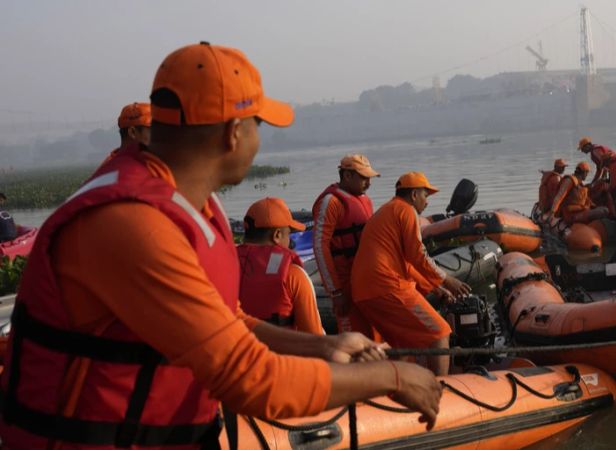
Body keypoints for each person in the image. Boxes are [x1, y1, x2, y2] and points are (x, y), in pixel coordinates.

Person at [0, 42, 441, 449]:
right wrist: (393, 376)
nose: (259, 140)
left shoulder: (186, 201)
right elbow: (251, 381)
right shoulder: (132, 224)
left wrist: (322, 346)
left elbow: (225, 320)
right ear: (233, 133)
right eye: (258, 125)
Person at [351, 172, 472, 376]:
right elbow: (418, 255)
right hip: (387, 287)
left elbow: (406, 263)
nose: (427, 202)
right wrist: (448, 279)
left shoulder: (387, 211)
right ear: (414, 194)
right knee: (440, 332)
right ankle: (440, 391)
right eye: (426, 195)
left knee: (402, 346)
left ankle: (390, 390)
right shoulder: (406, 211)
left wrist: (435, 287)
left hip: (364, 293)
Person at [312, 154, 381, 338]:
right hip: (344, 281)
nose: (368, 183)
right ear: (348, 176)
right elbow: (320, 246)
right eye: (364, 178)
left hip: (366, 280)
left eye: (369, 178)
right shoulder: (331, 202)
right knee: (353, 337)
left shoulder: (365, 200)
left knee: (374, 336)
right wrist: (336, 292)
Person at [238, 197, 324, 334]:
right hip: (281, 354)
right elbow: (315, 337)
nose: (290, 241)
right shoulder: (293, 275)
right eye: (289, 234)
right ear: (277, 235)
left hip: (234, 351)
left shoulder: (225, 265)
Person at [544, 161, 610, 225]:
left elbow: (587, 200)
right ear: (584, 172)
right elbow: (559, 196)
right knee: (604, 211)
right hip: (571, 215)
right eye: (587, 173)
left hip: (580, 211)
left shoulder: (580, 184)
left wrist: (594, 207)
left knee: (603, 208)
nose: (587, 175)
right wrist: (552, 212)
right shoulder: (569, 181)